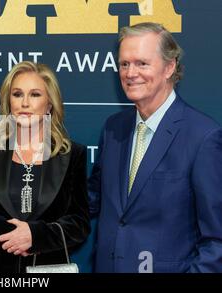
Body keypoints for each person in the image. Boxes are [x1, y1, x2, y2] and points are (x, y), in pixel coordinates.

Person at [88, 22, 222, 273]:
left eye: (142, 63)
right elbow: (91, 200)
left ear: (169, 67)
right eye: (124, 64)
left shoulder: (203, 137)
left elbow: (217, 241)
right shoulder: (113, 129)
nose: (130, 73)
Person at [0, 61, 90, 273]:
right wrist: (13, 235)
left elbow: (79, 223)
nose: (25, 103)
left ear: (49, 104)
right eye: (17, 94)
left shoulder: (72, 155)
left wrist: (35, 236)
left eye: (35, 94)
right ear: (8, 101)